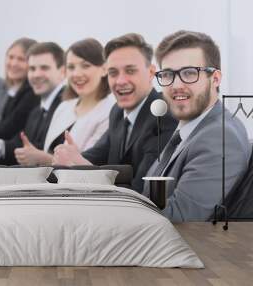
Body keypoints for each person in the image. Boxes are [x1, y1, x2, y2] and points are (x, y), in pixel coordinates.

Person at [143, 30, 251, 221]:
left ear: (215, 78)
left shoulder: (218, 137)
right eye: (168, 74)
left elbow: (180, 220)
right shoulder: (189, 130)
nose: (176, 85)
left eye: (189, 73)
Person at [53, 33, 177, 193]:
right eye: (113, 73)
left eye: (130, 71)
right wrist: (70, 155)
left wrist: (80, 166)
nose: (120, 81)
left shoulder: (164, 115)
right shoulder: (117, 112)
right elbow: (94, 156)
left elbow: (142, 189)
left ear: (151, 72)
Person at [14, 38, 115, 166]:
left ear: (104, 69)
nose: (77, 74)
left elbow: (89, 163)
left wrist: (42, 158)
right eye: (71, 67)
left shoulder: (111, 111)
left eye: (85, 66)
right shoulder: (64, 107)